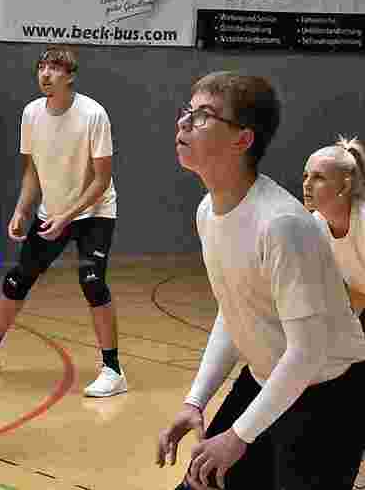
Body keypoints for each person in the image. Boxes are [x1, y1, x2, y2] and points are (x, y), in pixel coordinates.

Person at [156, 71, 365, 490]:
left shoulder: (282, 224)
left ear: (242, 139)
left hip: (329, 396)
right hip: (266, 381)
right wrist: (195, 400)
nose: (184, 122)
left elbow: (307, 352)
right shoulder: (207, 212)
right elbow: (235, 310)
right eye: (188, 111)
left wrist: (238, 436)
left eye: (203, 115)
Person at [0, 46, 127, 398]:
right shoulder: (31, 113)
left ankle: (113, 370)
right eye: (42, 66)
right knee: (16, 280)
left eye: (54, 68)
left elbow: (101, 181)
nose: (46, 73)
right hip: (51, 211)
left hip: (94, 212)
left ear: (70, 76)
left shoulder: (93, 114)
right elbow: (32, 170)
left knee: (92, 282)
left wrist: (66, 217)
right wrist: (22, 209)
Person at [303, 136, 365, 329]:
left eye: (318, 177)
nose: (307, 184)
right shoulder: (315, 225)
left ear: (345, 186)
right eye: (306, 176)